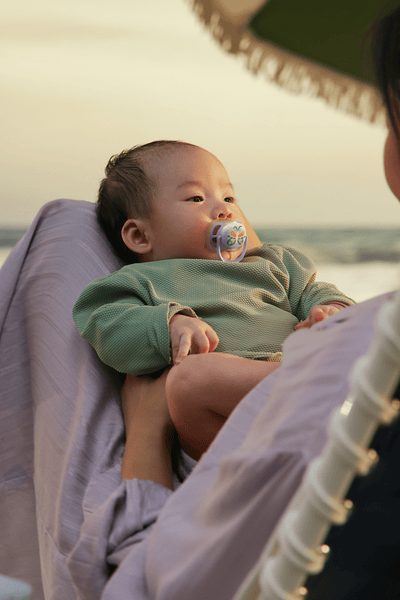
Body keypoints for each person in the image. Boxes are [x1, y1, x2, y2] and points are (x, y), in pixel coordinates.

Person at [72, 141, 353, 463]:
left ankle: (323, 385)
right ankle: (325, 385)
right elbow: (106, 321)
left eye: (229, 197)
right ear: (140, 236)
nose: (225, 210)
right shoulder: (139, 280)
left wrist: (331, 310)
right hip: (229, 424)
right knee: (191, 378)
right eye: (196, 198)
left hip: (296, 377)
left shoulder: (271, 263)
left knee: (374, 319)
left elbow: (312, 292)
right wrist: (171, 324)